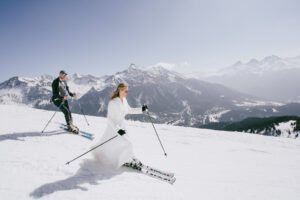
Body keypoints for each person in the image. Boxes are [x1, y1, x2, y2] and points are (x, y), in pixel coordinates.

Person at [92, 83, 148, 169]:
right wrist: (118, 130)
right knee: (127, 143)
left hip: (122, 126)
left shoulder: (124, 100)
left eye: (127, 91)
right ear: (120, 90)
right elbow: (110, 119)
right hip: (114, 129)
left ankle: (128, 159)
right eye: (125, 91)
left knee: (123, 144)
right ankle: (127, 161)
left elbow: (129, 110)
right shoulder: (113, 102)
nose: (127, 93)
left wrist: (141, 109)